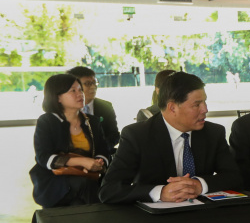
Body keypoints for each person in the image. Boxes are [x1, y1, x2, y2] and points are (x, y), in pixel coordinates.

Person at [99, 72, 242, 204]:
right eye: (197, 104)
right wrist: (160, 192)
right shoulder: (137, 135)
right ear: (172, 108)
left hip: (202, 216)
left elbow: (234, 176)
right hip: (155, 222)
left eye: (204, 102)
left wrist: (199, 185)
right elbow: (109, 190)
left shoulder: (213, 132)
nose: (205, 109)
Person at [30, 74, 110, 208]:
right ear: (58, 97)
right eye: (73, 91)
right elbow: (43, 157)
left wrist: (98, 163)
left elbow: (103, 151)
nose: (80, 94)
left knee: (81, 199)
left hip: (88, 178)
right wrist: (81, 161)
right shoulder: (47, 121)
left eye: (80, 89)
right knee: (85, 186)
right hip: (55, 182)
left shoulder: (92, 122)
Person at [68, 66, 119, 151]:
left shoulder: (106, 107)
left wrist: (101, 150)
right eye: (88, 84)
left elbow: (114, 135)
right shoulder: (65, 109)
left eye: (94, 83)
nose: (93, 87)